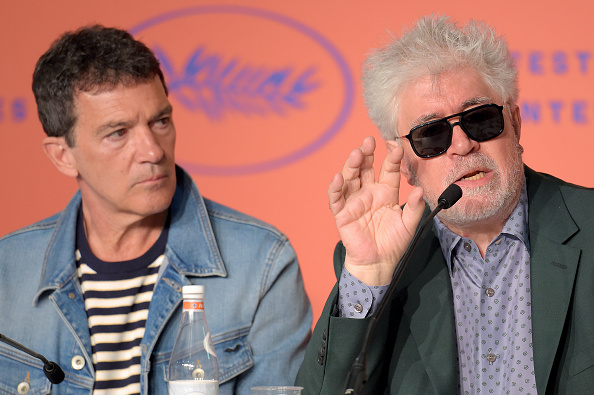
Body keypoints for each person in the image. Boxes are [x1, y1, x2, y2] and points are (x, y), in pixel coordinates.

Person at [0, 25, 311, 394]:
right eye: (118, 133)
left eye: (161, 121)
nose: (153, 151)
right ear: (63, 156)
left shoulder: (262, 263)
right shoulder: (7, 272)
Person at [296, 15, 593, 394]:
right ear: (404, 162)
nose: (461, 145)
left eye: (480, 119)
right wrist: (370, 276)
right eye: (431, 134)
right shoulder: (389, 263)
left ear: (515, 125)